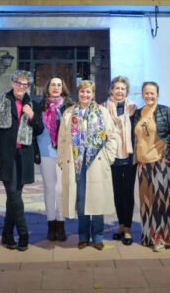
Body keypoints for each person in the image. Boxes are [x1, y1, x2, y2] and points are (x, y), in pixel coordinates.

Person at [0, 70, 43, 251]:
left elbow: (40, 129)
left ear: (29, 86)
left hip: (24, 155)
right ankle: (24, 233)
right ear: (12, 83)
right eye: (18, 83)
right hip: (5, 155)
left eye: (25, 84)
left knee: (14, 196)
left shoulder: (33, 103)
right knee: (12, 192)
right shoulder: (0, 100)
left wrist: (32, 115)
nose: (21, 87)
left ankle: (7, 235)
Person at [58, 80, 118, 250]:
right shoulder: (69, 113)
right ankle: (83, 236)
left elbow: (112, 136)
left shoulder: (102, 112)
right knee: (82, 200)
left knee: (97, 200)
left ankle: (98, 237)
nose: (85, 95)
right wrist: (62, 159)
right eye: (82, 92)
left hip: (96, 163)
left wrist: (108, 157)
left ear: (93, 94)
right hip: (76, 164)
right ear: (79, 93)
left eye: (88, 92)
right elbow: (62, 138)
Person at [134, 81, 170, 252]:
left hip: (161, 162)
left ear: (157, 94)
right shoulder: (138, 113)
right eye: (146, 93)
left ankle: (162, 238)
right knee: (146, 203)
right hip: (142, 164)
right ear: (142, 94)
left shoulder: (165, 111)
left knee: (162, 203)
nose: (149, 96)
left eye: (152, 93)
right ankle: (148, 236)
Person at [35, 76, 73, 242]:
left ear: (63, 87)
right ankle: (51, 224)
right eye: (53, 85)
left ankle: (61, 223)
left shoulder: (70, 106)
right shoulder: (40, 106)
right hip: (45, 151)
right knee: (49, 189)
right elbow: (35, 127)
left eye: (59, 84)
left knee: (61, 190)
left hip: (64, 153)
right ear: (47, 88)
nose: (56, 87)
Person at [106, 76, 138, 245]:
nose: (119, 91)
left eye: (122, 89)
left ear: (127, 91)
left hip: (129, 156)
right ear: (111, 90)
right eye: (116, 88)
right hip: (112, 156)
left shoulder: (134, 109)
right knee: (117, 193)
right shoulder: (105, 108)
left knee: (128, 193)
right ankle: (120, 225)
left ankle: (128, 229)